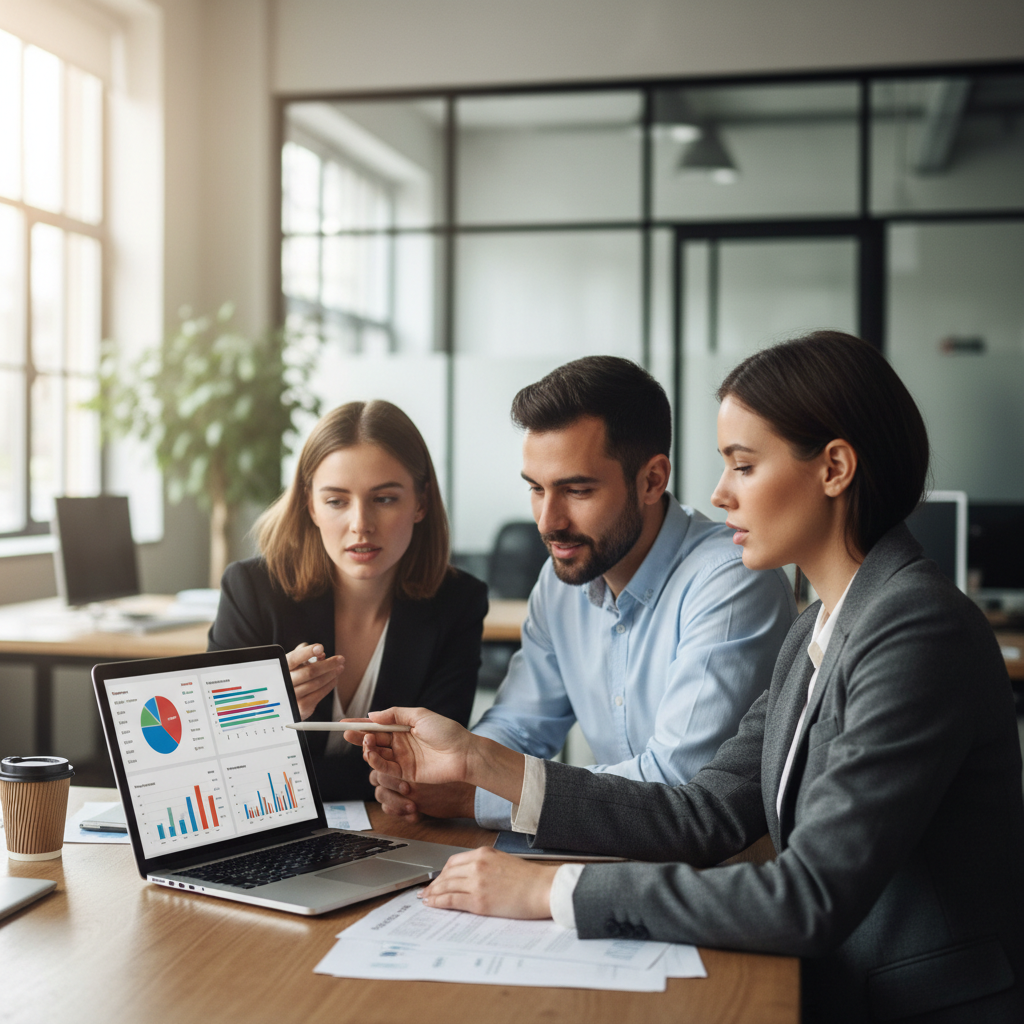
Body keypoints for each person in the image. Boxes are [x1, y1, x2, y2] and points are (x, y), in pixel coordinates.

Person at [354, 333, 1024, 1024]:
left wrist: (552, 892)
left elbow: (807, 898)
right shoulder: (818, 628)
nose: (718, 493)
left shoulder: (915, 628)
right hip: (837, 982)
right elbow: (703, 811)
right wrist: (475, 759)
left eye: (743, 465)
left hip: (915, 1002)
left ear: (834, 468)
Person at [374, 355, 796, 830]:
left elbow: (676, 786)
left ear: (652, 480)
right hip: (615, 855)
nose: (547, 522)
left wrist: (473, 795)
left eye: (576, 491)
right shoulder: (560, 582)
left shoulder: (731, 580)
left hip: (713, 877)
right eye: (536, 489)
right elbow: (518, 727)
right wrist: (442, 774)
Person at [207, 400, 488, 801]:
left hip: (393, 835)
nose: (360, 524)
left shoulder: (459, 602)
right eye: (336, 501)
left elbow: (432, 766)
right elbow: (214, 758)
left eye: (385, 499)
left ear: (421, 503)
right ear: (310, 504)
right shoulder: (251, 590)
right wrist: (266, 715)